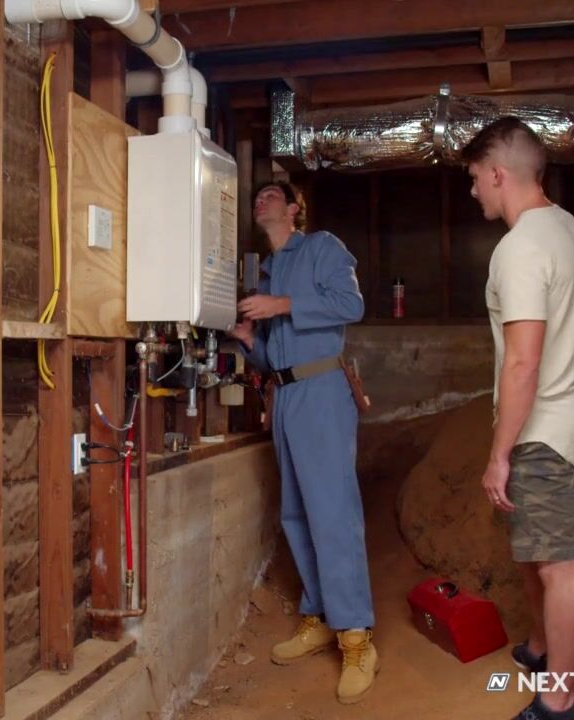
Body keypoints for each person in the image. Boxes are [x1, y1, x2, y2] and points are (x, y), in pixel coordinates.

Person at [461, 117, 574, 720]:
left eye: (475, 178)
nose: (474, 191)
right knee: (536, 546)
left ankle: (559, 701)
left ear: (499, 174)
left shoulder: (520, 248)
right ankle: (542, 648)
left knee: (558, 562)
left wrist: (499, 455)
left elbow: (523, 362)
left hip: (544, 423)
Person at [229, 181, 378, 705]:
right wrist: (250, 342)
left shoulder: (321, 248)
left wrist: (284, 304)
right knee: (297, 512)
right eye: (259, 196)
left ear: (294, 209)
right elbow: (272, 356)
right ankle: (319, 615)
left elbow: (351, 304)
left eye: (273, 194)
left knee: (332, 512)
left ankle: (357, 637)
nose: (262, 199)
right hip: (286, 394)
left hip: (322, 389)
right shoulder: (265, 272)